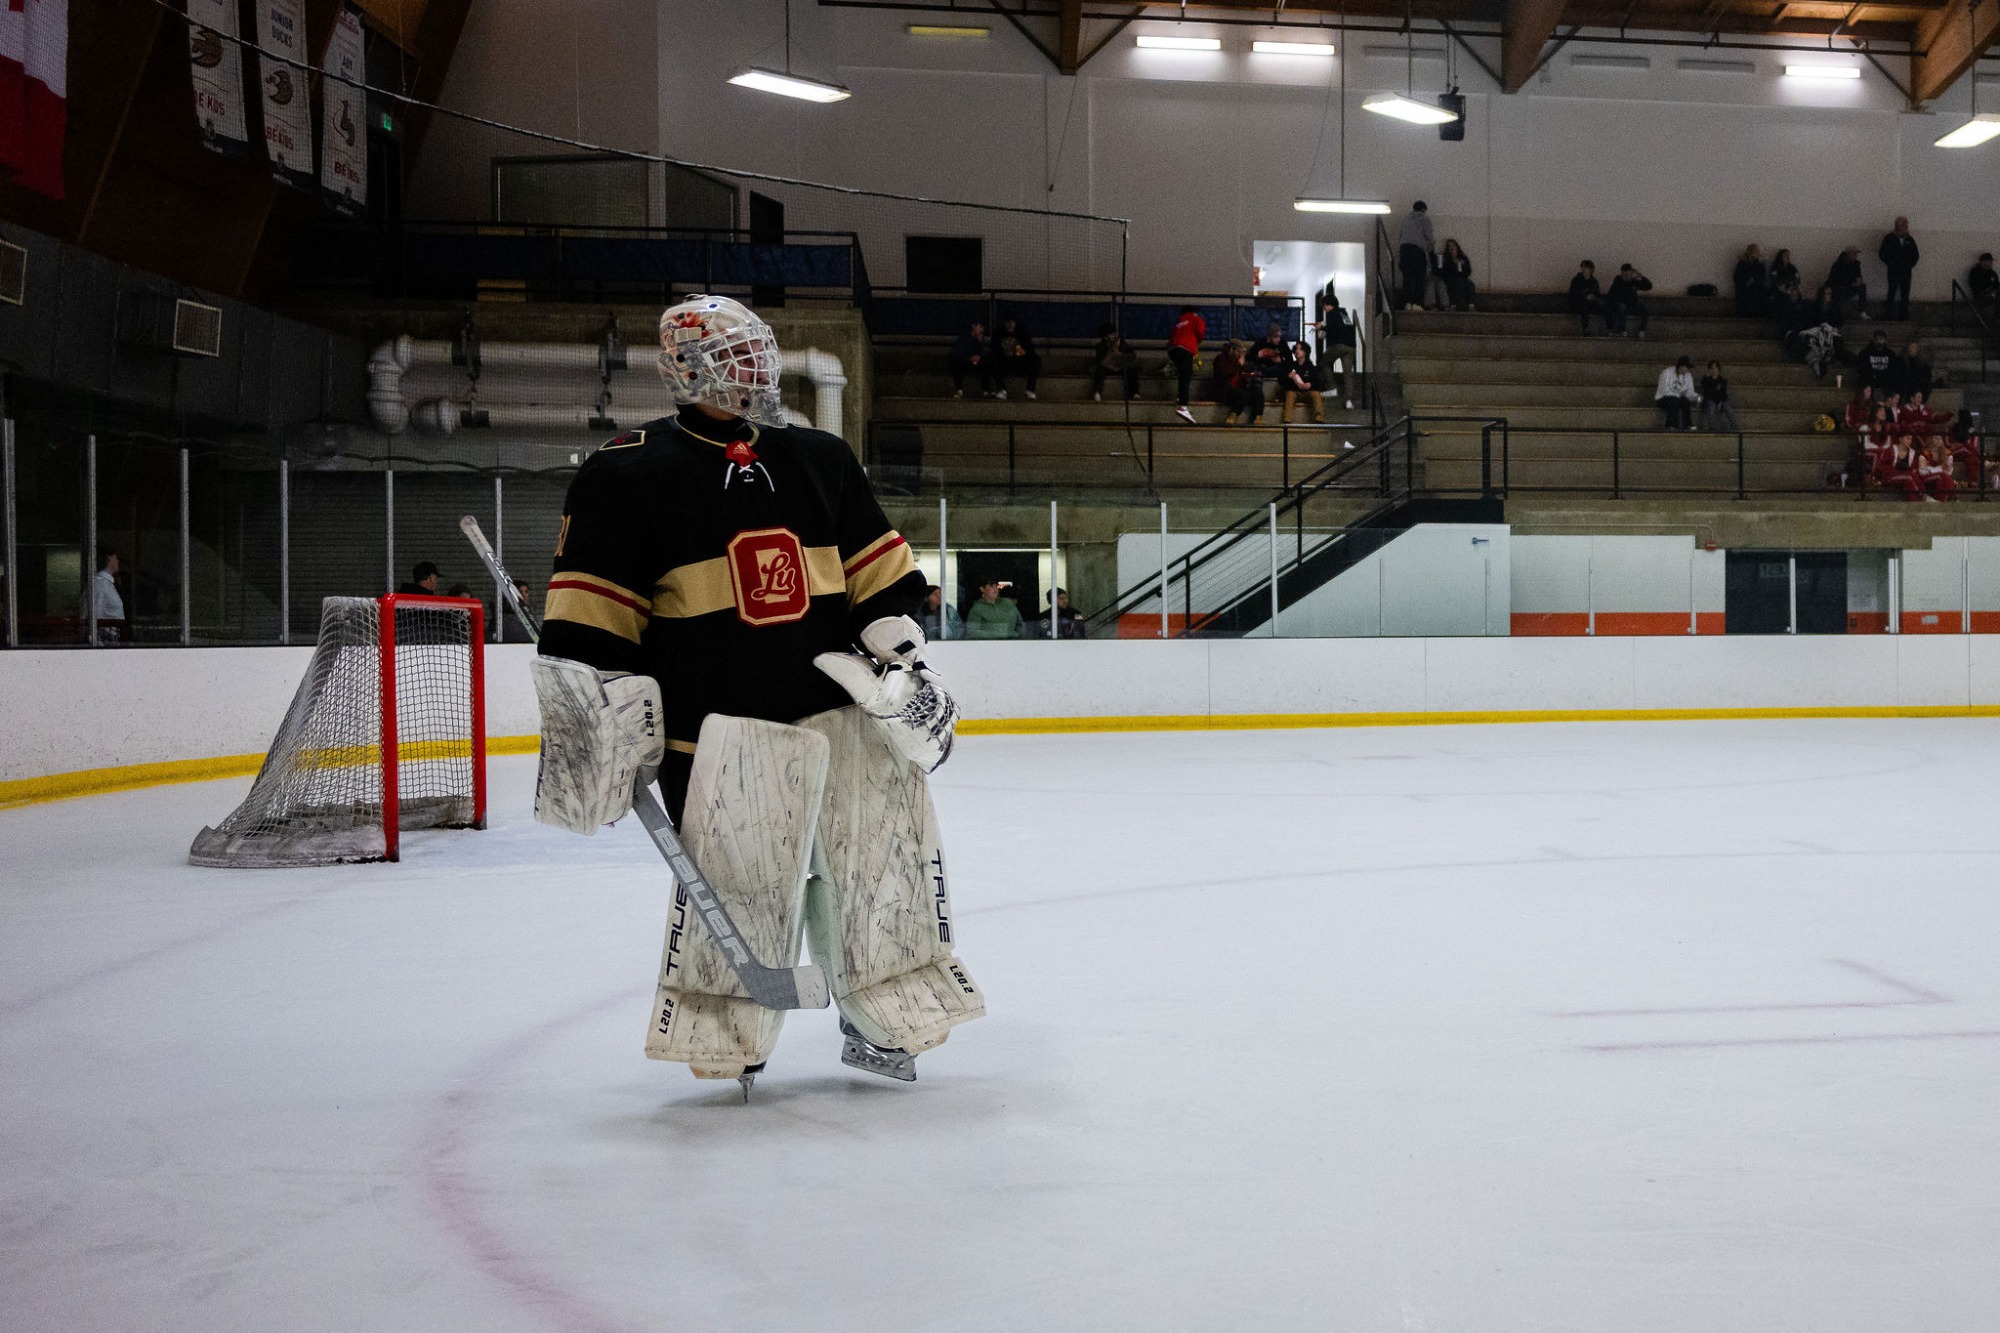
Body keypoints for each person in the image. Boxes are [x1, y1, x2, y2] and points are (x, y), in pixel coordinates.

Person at [535, 293, 982, 1093]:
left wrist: (898, 646)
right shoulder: (623, 474)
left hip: (844, 718)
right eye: (734, 356)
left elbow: (880, 580)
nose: (756, 369)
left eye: (758, 351)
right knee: (741, 891)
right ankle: (726, 1028)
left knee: (881, 872)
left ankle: (886, 1013)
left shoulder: (820, 457)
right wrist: (597, 726)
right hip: (718, 737)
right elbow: (591, 629)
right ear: (684, 368)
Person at [1317, 286, 1357, 406]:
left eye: (1324, 306)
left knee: (1323, 361)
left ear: (1329, 305)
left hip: (1339, 345)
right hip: (1351, 346)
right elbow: (1343, 326)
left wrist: (1321, 328)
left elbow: (1332, 330)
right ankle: (1349, 400)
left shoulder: (1331, 314)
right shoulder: (1344, 314)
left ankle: (1332, 388)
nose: (1324, 309)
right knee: (1348, 374)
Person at [1167, 304, 1204, 424]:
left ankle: (1180, 397)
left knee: (1182, 374)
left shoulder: (1179, 321)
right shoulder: (1196, 319)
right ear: (1194, 312)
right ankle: (1183, 406)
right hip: (1186, 349)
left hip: (1173, 349)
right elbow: (1200, 334)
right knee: (1185, 377)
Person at [1211, 340, 1263, 425]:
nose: (1240, 354)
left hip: (1238, 388)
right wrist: (1239, 365)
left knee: (1258, 393)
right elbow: (1224, 373)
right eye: (1239, 351)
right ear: (1232, 349)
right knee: (1242, 395)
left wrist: (1246, 371)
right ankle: (1233, 415)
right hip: (1224, 390)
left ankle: (1258, 417)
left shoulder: (1237, 360)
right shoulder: (1221, 358)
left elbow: (1243, 374)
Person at [990, 313, 1040, 400]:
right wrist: (1003, 353)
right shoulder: (998, 333)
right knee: (993, 360)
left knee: (1036, 360)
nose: (1010, 325)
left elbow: (1030, 349)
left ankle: (1030, 389)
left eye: (1012, 322)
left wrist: (1024, 352)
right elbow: (993, 349)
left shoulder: (1022, 332)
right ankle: (1001, 389)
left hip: (1018, 361)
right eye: (1008, 322)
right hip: (1004, 362)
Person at [1248, 323, 1293, 417]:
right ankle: (1257, 402)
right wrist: (1259, 355)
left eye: (1279, 337)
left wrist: (1281, 360)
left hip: (1277, 369)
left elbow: (1290, 360)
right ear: (1269, 337)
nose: (1278, 339)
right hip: (1263, 367)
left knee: (1287, 370)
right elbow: (1248, 357)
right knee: (1256, 372)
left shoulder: (1282, 344)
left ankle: (1280, 394)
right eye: (1276, 337)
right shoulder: (1261, 342)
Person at [1878, 217, 1919, 321]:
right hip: (1894, 270)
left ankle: (1904, 315)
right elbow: (1882, 253)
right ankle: (1889, 314)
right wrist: (1891, 263)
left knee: (1905, 293)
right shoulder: (1889, 238)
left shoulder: (1909, 240)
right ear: (1897, 226)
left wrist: (1910, 264)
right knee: (1892, 291)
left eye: (1906, 225)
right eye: (1903, 225)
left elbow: (1915, 255)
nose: (1905, 227)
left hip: (1906, 271)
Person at [1397, 200, 1435, 311]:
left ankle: (1407, 303)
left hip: (1404, 250)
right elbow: (1430, 237)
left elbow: (1401, 235)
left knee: (1407, 278)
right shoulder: (1425, 218)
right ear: (1423, 209)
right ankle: (1417, 303)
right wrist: (1430, 246)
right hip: (1417, 250)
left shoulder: (1406, 219)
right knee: (1419, 277)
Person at [1089, 322, 1140, 402]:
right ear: (1105, 337)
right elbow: (1102, 362)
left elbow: (1132, 356)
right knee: (1099, 371)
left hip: (1120, 367)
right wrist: (1111, 350)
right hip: (1107, 367)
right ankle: (1097, 392)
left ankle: (1135, 393)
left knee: (1131, 371)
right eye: (1111, 334)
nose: (1115, 335)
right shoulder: (1100, 346)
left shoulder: (1122, 344)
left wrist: (1120, 354)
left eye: (1115, 333)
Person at [1282, 341, 1327, 423]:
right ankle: (1287, 420)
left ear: (1305, 352)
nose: (1297, 351)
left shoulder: (1311, 367)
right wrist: (1289, 377)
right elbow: (1283, 382)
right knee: (1290, 394)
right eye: (1296, 349)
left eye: (1300, 349)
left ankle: (1319, 419)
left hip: (1308, 392)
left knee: (1316, 394)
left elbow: (1318, 382)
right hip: (1295, 392)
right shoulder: (1291, 366)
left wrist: (1310, 385)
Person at [948, 320, 991, 399]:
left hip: (978, 364)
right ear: (974, 326)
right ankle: (959, 390)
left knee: (986, 363)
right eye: (980, 327)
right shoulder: (964, 339)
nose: (981, 330)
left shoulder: (981, 340)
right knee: (956, 362)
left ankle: (986, 391)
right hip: (965, 363)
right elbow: (956, 353)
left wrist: (980, 343)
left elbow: (984, 354)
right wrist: (969, 358)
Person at [1606, 264, 1653, 337]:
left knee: (1645, 309)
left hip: (1632, 303)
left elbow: (1648, 286)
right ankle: (1623, 330)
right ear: (1623, 272)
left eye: (1631, 272)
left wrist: (1641, 277)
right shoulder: (1618, 282)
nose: (1631, 273)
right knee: (1621, 307)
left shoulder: (1633, 282)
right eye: (1629, 271)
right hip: (1621, 304)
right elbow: (1612, 295)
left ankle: (1642, 330)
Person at [1655, 357, 1698, 430]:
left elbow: (1689, 392)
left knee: (1686, 402)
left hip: (1678, 398)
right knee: (1673, 401)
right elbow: (1664, 390)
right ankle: (1670, 425)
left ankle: (1687, 425)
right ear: (1681, 366)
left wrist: (1696, 397)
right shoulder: (1667, 373)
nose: (1687, 369)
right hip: (1662, 398)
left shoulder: (1688, 375)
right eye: (1686, 367)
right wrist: (1678, 396)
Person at [1827, 246, 1870, 321]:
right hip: (1838, 288)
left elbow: (1858, 277)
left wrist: (1858, 282)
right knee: (1840, 289)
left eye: (1856, 254)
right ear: (1848, 254)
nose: (1856, 255)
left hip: (1850, 287)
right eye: (1854, 253)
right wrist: (1852, 284)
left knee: (1862, 286)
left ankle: (1862, 311)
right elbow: (1837, 280)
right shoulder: (1838, 265)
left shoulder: (1856, 264)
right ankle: (1838, 314)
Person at [93, 550, 126, 643]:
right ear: (109, 559)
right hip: (105, 639)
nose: (118, 561)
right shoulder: (100, 584)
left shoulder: (107, 584)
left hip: (112, 638)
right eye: (116, 558)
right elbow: (96, 614)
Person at [1434, 238, 1475, 311]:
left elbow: (1467, 272)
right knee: (1458, 283)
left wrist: (1461, 265)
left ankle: (1471, 304)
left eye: (1453, 246)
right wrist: (1454, 265)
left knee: (1470, 284)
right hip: (1450, 279)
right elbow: (1444, 272)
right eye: (1449, 247)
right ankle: (1453, 304)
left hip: (1462, 278)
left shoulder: (1462, 258)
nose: (1452, 248)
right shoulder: (1446, 259)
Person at [1698, 361, 1740, 432]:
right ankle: (1712, 428)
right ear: (1709, 370)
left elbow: (1723, 394)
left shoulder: (1722, 381)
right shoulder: (1706, 380)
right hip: (1710, 400)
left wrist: (1720, 402)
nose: (1714, 370)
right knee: (1711, 407)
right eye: (1712, 368)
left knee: (1729, 409)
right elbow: (1706, 393)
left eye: (1715, 368)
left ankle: (1735, 427)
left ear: (1718, 369)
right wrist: (1707, 378)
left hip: (1720, 400)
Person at [1732, 244, 1769, 318]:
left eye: (1756, 251)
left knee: (1762, 291)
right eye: (1752, 251)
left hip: (1756, 286)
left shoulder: (1760, 265)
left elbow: (1762, 278)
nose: (1754, 253)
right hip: (1744, 286)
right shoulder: (1742, 263)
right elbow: (1736, 277)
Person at [1567, 260, 1603, 335]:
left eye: (1585, 268)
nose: (1583, 269)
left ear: (1591, 270)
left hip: (1591, 303)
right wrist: (1584, 297)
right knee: (1585, 305)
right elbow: (1573, 294)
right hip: (1579, 303)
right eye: (1582, 267)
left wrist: (1593, 297)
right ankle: (1586, 328)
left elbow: (1597, 294)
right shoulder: (1576, 280)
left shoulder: (1594, 282)